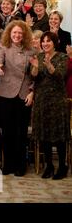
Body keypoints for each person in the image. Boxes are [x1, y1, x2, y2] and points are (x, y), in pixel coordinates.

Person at [0, 20, 35, 176]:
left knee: (21, 132)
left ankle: (21, 165)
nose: (17, 35)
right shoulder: (2, 47)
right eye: (14, 32)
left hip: (24, 95)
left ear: (24, 35)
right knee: (7, 132)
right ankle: (8, 164)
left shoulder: (31, 51)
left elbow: (35, 75)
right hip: (5, 94)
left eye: (20, 33)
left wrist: (32, 91)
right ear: (9, 34)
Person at [30, 31, 70, 180]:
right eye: (43, 41)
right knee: (44, 135)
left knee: (59, 136)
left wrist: (49, 65)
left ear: (55, 42)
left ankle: (62, 166)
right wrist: (35, 67)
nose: (45, 43)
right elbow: (34, 77)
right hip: (41, 100)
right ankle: (49, 166)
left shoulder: (62, 57)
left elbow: (61, 76)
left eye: (48, 41)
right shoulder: (38, 56)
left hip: (57, 101)